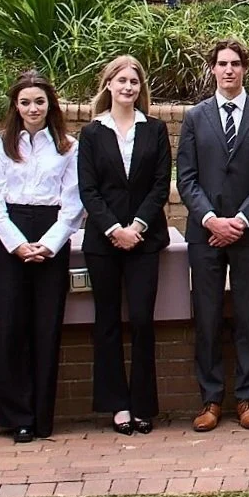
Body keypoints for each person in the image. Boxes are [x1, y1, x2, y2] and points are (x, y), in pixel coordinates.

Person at [178, 38, 249, 433]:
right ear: (212, 69)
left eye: (236, 63)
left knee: (248, 315)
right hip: (205, 235)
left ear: (245, 69)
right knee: (206, 316)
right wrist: (210, 220)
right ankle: (211, 399)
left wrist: (239, 220)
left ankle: (248, 398)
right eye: (222, 63)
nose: (229, 70)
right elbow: (185, 179)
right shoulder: (195, 118)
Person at [0, 71, 81, 443]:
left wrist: (50, 243)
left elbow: (73, 203)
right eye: (25, 102)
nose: (32, 108)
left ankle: (41, 416)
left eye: (39, 101)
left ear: (50, 104)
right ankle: (16, 416)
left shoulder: (68, 145)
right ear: (16, 106)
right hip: (13, 237)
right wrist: (18, 244)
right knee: (10, 328)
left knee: (46, 328)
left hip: (51, 235)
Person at [76, 56, 172, 436]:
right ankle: (117, 405)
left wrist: (138, 226)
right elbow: (89, 190)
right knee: (108, 323)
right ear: (109, 85)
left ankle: (143, 404)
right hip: (104, 242)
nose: (128, 87)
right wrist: (115, 228)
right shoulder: (92, 133)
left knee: (143, 322)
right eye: (121, 81)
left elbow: (160, 185)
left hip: (145, 240)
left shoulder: (155, 130)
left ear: (140, 87)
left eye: (134, 81)